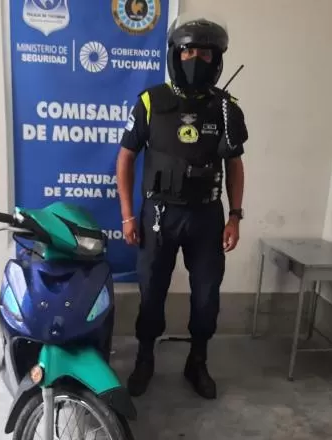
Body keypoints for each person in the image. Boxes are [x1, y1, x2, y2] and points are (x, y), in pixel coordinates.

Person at [116, 14, 248, 400]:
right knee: (151, 291)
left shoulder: (227, 108)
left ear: (217, 59)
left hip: (207, 217)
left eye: (204, 53)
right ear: (176, 53)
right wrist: (127, 214)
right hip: (159, 215)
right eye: (188, 50)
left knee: (207, 295)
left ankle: (198, 361)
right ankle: (144, 358)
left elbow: (235, 164)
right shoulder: (150, 102)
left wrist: (236, 216)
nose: (195, 58)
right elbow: (125, 159)